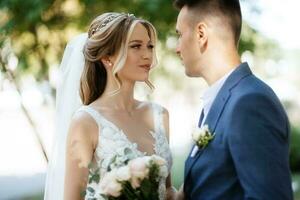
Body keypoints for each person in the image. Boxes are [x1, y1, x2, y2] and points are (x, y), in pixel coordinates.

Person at [44, 12, 175, 200]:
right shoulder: (86, 122)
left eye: (150, 46)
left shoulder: (159, 115)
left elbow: (167, 190)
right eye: (136, 46)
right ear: (107, 57)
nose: (147, 54)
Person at [173, 0, 293, 199]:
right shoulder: (221, 101)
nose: (177, 48)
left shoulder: (250, 103)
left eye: (179, 34)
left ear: (201, 34)